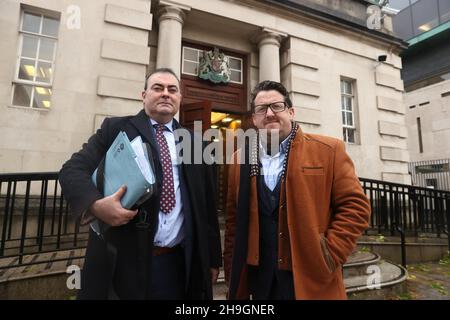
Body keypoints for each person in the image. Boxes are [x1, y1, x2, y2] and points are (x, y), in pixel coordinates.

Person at [59, 68, 222, 300]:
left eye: (172, 89)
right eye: (158, 88)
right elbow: (72, 170)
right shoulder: (115, 129)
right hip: (124, 264)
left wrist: (213, 260)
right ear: (143, 95)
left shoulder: (197, 144)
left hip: (178, 264)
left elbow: (207, 207)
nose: (166, 93)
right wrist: (95, 205)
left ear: (179, 99)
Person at [223, 80, 371, 300]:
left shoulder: (329, 150)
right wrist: (232, 271)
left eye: (277, 106)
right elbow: (234, 220)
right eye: (261, 109)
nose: (270, 114)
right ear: (254, 119)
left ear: (291, 112)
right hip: (259, 281)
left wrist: (329, 253)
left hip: (311, 278)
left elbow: (356, 207)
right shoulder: (239, 159)